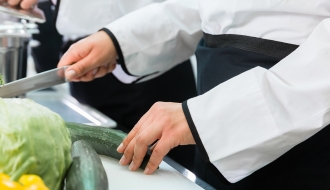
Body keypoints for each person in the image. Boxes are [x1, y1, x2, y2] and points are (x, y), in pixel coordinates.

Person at [59, 0, 330, 189]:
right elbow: (214, 9)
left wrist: (208, 117)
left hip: (304, 142)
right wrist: (122, 40)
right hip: (212, 138)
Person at [32, 0, 199, 173]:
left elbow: (195, 13)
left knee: (173, 168)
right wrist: (115, 41)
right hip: (100, 52)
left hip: (153, 64)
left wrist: (117, 41)